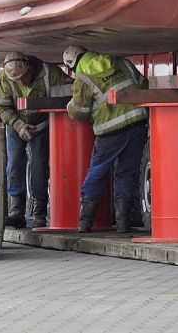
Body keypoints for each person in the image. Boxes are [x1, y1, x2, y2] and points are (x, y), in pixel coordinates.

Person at [63, 45, 148, 233]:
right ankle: (123, 224)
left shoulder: (82, 76)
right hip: (137, 122)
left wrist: (69, 106)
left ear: (72, 65)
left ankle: (85, 223)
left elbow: (80, 112)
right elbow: (143, 85)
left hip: (110, 129)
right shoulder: (120, 61)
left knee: (97, 171)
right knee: (127, 173)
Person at [0, 52, 72, 228]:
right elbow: (1, 107)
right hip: (16, 125)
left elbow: (72, 90)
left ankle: (39, 212)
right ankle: (16, 211)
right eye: (17, 80)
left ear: (29, 67)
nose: (21, 82)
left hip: (42, 125)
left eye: (23, 77)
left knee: (39, 166)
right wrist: (18, 125)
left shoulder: (50, 73)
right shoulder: (4, 79)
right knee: (14, 164)